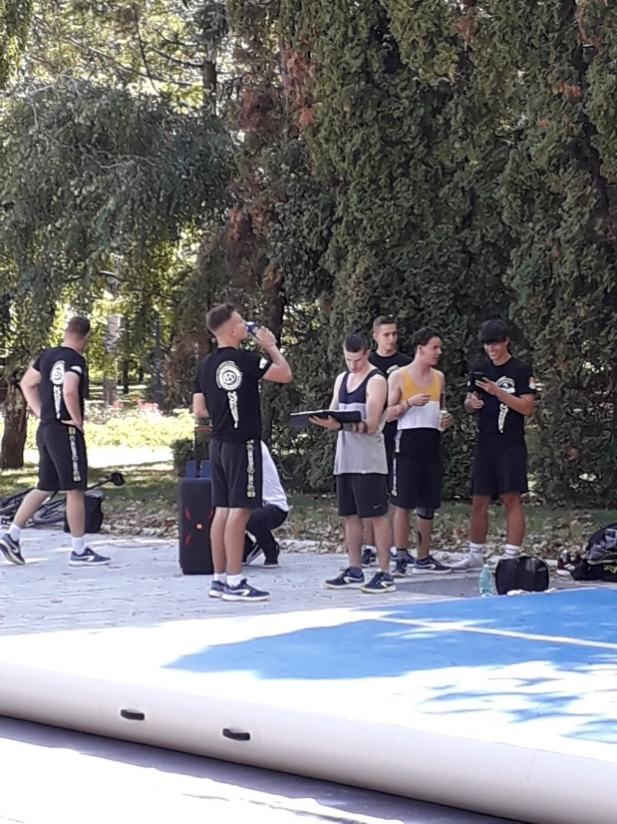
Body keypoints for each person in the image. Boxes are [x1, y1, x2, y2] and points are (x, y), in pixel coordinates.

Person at [192, 303, 292, 602]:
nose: (246, 325)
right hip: (243, 442)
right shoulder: (245, 360)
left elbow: (199, 410)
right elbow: (285, 374)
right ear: (233, 331)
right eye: (241, 322)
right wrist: (270, 346)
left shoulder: (205, 366)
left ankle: (219, 579)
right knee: (240, 510)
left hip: (218, 443)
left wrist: (222, 407)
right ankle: (236, 581)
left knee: (222, 510)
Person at [0, 317, 110, 567]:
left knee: (46, 486)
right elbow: (69, 389)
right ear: (85, 337)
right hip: (65, 431)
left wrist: (42, 413)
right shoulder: (76, 360)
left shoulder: (47, 356)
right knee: (75, 489)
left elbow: (26, 383)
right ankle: (79, 550)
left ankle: (12, 535)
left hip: (47, 429)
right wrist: (76, 420)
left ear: (66, 332)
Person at [311, 333, 395, 594]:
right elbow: (334, 411)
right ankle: (354, 568)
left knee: (376, 516)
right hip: (345, 458)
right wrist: (325, 421)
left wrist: (340, 425)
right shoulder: (342, 379)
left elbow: (371, 424)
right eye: (348, 359)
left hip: (369, 460)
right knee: (349, 515)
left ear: (367, 354)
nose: (353, 365)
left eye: (357, 360)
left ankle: (385, 573)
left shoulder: (376, 380)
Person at [452, 318, 536, 570]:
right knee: (479, 498)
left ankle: (511, 554)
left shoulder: (520, 370)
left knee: (511, 497)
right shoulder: (480, 369)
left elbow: (527, 407)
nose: (491, 349)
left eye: (496, 343)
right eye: (487, 344)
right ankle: (475, 553)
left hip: (510, 442)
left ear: (506, 341)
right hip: (485, 441)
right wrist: (471, 404)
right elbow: (469, 402)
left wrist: (498, 392)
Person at [387, 327, 453, 576]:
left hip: (431, 442)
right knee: (402, 502)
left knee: (428, 503)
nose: (439, 352)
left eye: (440, 348)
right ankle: (401, 555)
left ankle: (423, 556)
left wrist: (446, 420)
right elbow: (386, 414)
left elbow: (442, 409)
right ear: (420, 349)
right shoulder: (399, 376)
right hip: (407, 443)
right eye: (435, 347)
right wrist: (408, 403)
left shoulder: (439, 377)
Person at [362, 316, 412, 566]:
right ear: (375, 337)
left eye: (394, 334)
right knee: (370, 489)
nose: (391, 339)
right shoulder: (367, 365)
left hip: (399, 434)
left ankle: (392, 545)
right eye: (386, 335)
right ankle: (368, 546)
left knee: (395, 491)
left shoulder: (406, 364)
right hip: (372, 434)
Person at [243, 441, 289, 568]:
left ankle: (271, 549)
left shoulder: (253, 446)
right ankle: (248, 548)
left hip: (275, 506)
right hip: (253, 504)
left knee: (249, 517)